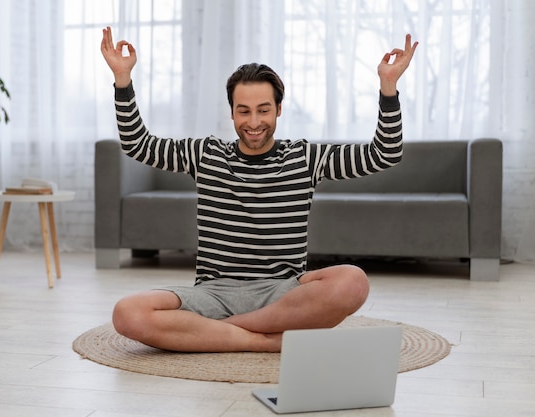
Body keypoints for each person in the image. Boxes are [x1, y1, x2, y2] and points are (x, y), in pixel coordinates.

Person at [100, 27, 418, 353]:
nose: (254, 122)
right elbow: (138, 145)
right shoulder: (205, 154)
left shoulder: (305, 157)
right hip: (213, 292)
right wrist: (123, 79)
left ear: (278, 109)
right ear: (232, 112)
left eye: (263, 109)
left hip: (283, 294)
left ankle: (215, 334)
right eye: (244, 111)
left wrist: (388, 87)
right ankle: (266, 341)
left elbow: (384, 154)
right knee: (127, 313)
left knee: (353, 282)